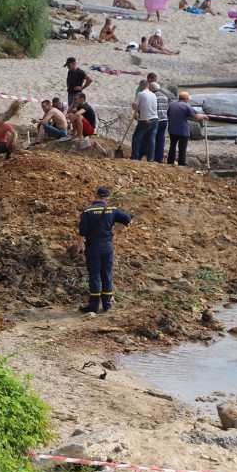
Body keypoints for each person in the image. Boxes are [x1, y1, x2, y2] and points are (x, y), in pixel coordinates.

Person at [76, 186, 132, 314]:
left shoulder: (88, 211)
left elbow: (82, 232)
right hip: (108, 247)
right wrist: (115, 230)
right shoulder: (112, 210)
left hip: (93, 247)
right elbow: (128, 219)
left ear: (96, 197)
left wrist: (79, 247)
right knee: (107, 274)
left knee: (95, 275)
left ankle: (94, 305)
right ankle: (107, 305)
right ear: (107, 198)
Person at [166, 91, 209, 166]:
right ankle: (181, 164)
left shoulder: (172, 104)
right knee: (182, 149)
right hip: (183, 131)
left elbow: (169, 117)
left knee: (172, 146)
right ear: (185, 99)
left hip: (172, 129)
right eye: (187, 99)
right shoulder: (186, 106)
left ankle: (170, 162)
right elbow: (196, 117)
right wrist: (204, 116)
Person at [130, 79, 158, 161]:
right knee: (151, 139)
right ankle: (150, 158)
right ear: (148, 86)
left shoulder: (140, 94)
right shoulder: (153, 95)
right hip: (155, 119)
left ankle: (135, 156)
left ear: (141, 86)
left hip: (145, 119)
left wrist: (136, 112)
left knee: (136, 137)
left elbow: (134, 105)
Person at [150, 81, 169, 163]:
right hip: (164, 120)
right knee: (161, 140)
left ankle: (152, 157)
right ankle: (159, 159)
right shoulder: (165, 97)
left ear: (152, 88)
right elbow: (166, 108)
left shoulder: (153, 96)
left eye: (150, 88)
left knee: (153, 138)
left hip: (156, 119)